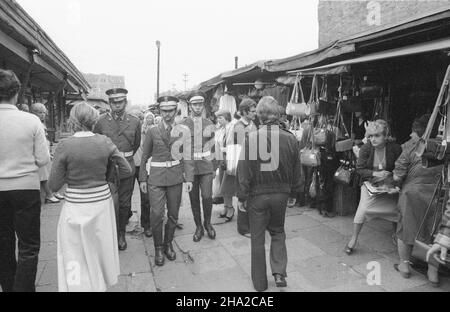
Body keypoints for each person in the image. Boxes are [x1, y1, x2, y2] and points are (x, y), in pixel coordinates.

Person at [49, 102, 130, 292]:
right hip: (101, 203)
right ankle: (100, 284)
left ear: (73, 120)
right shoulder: (105, 142)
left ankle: (77, 286)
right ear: (93, 120)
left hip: (75, 204)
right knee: (100, 249)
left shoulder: (64, 145)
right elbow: (126, 169)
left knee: (73, 253)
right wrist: (108, 178)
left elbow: (54, 185)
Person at [236, 96, 302, 292]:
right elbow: (296, 169)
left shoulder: (252, 137)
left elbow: (244, 171)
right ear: (278, 115)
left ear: (260, 116)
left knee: (257, 238)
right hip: (280, 194)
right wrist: (295, 192)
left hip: (257, 196)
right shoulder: (290, 138)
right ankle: (279, 273)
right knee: (278, 231)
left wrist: (241, 196)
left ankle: (260, 284)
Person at [0, 69, 50, 292]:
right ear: (17, 93)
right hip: (25, 189)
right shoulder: (31, 121)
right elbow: (42, 160)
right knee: (29, 246)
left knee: (3, 244)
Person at [139, 96, 194, 267]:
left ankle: (168, 243)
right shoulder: (152, 131)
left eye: (170, 110)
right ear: (159, 111)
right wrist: (142, 177)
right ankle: (157, 247)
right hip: (155, 177)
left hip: (175, 177)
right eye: (164, 111)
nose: (167, 114)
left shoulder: (183, 130)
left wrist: (189, 177)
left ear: (176, 110)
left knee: (173, 213)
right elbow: (144, 156)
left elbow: (187, 156)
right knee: (156, 214)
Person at [392, 114, 442, 285]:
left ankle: (404, 266)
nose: (411, 135)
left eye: (413, 131)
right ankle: (433, 273)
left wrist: (395, 182)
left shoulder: (412, 147)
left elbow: (398, 173)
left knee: (404, 229)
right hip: (438, 197)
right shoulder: (444, 149)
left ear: (419, 132)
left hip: (412, 195)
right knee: (434, 233)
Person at [93, 88, 141, 251]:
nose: (117, 105)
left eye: (120, 102)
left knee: (124, 203)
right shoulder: (100, 121)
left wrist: (124, 157)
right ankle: (109, 233)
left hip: (127, 166)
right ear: (109, 103)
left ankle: (121, 234)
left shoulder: (135, 121)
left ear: (125, 102)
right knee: (108, 202)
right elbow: (96, 142)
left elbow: (136, 145)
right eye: (113, 102)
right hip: (107, 168)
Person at [345, 120, 402, 255]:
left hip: (389, 185)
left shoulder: (395, 148)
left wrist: (395, 183)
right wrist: (375, 173)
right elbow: (359, 169)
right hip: (370, 184)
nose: (373, 139)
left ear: (386, 135)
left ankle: (396, 234)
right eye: (370, 136)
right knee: (363, 209)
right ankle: (354, 238)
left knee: (397, 208)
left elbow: (400, 168)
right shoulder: (366, 148)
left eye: (377, 135)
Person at [181, 92, 217, 242]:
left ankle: (208, 223)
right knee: (194, 198)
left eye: (200, 104)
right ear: (190, 106)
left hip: (206, 165)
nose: (197, 107)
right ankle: (198, 227)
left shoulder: (209, 123)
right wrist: (183, 170)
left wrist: (214, 167)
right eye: (195, 104)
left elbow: (214, 146)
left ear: (203, 106)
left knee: (207, 196)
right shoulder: (183, 125)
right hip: (190, 168)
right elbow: (180, 149)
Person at [219, 99, 257, 223]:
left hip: (247, 161)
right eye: (252, 111)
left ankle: (230, 209)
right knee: (230, 187)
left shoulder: (252, 124)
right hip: (239, 161)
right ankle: (230, 209)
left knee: (230, 186)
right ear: (244, 112)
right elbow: (242, 146)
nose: (255, 113)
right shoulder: (239, 126)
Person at [30, 103, 62, 204]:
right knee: (44, 175)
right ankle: (49, 194)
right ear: (33, 113)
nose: (43, 115)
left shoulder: (41, 124)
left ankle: (53, 191)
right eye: (40, 112)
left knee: (50, 172)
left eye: (44, 112)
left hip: (44, 151)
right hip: (37, 153)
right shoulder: (33, 123)